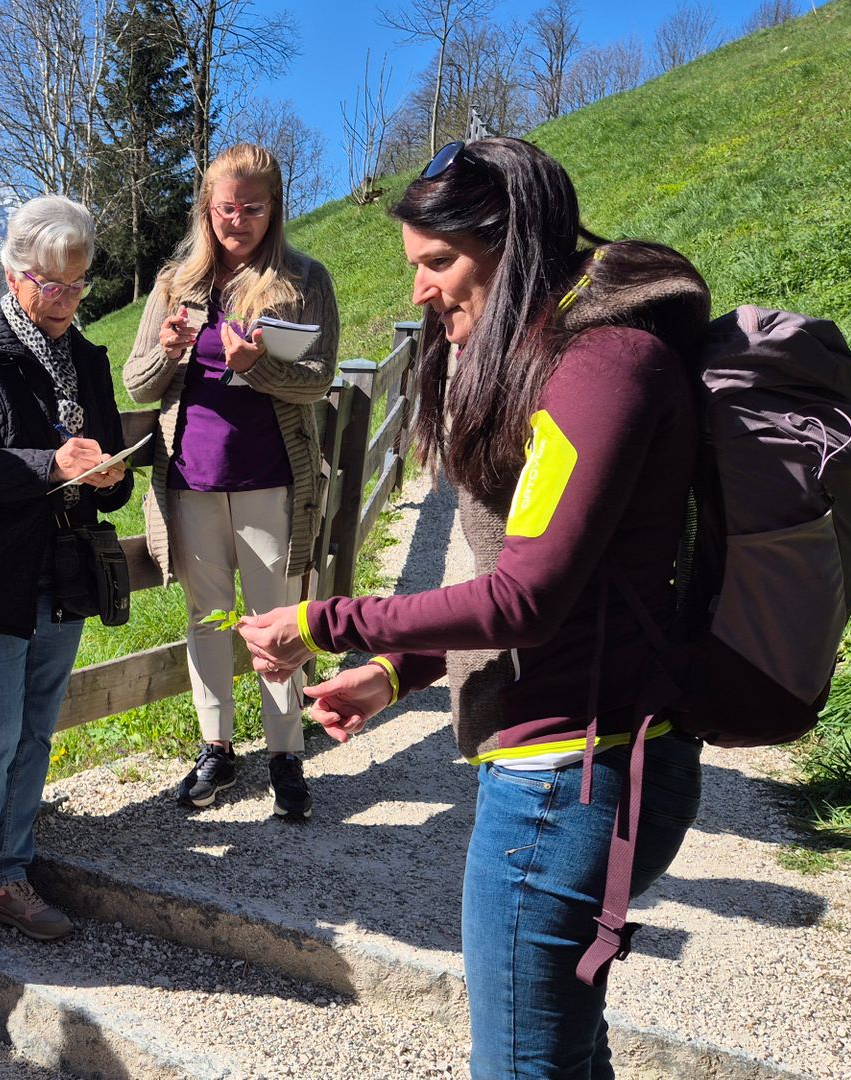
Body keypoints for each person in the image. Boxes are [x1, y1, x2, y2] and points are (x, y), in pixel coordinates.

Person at [237, 137, 712, 1079]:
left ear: (518, 245)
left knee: (520, 1065)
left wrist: (327, 622)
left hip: (566, 780)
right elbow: (533, 572)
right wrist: (394, 672)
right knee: (565, 1050)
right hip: (579, 766)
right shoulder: (559, 355)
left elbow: (526, 598)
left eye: (441, 263)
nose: (419, 292)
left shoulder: (602, 365)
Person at [0, 195, 132, 945]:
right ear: (15, 277)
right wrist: (49, 465)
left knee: (38, 728)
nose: (68, 302)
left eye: (78, 286)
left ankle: (10, 872)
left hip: (65, 573)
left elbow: (117, 468)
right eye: (53, 286)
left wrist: (111, 477)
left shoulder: (88, 358)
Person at [121, 142, 341, 817]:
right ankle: (215, 749)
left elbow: (320, 377)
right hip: (190, 478)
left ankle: (286, 755)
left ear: (273, 210)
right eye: (225, 208)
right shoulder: (175, 284)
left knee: (278, 621)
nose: (237, 220)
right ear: (206, 210)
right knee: (206, 619)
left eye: (252, 208)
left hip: (271, 480)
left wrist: (257, 367)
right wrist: (166, 356)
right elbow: (136, 383)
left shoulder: (304, 280)